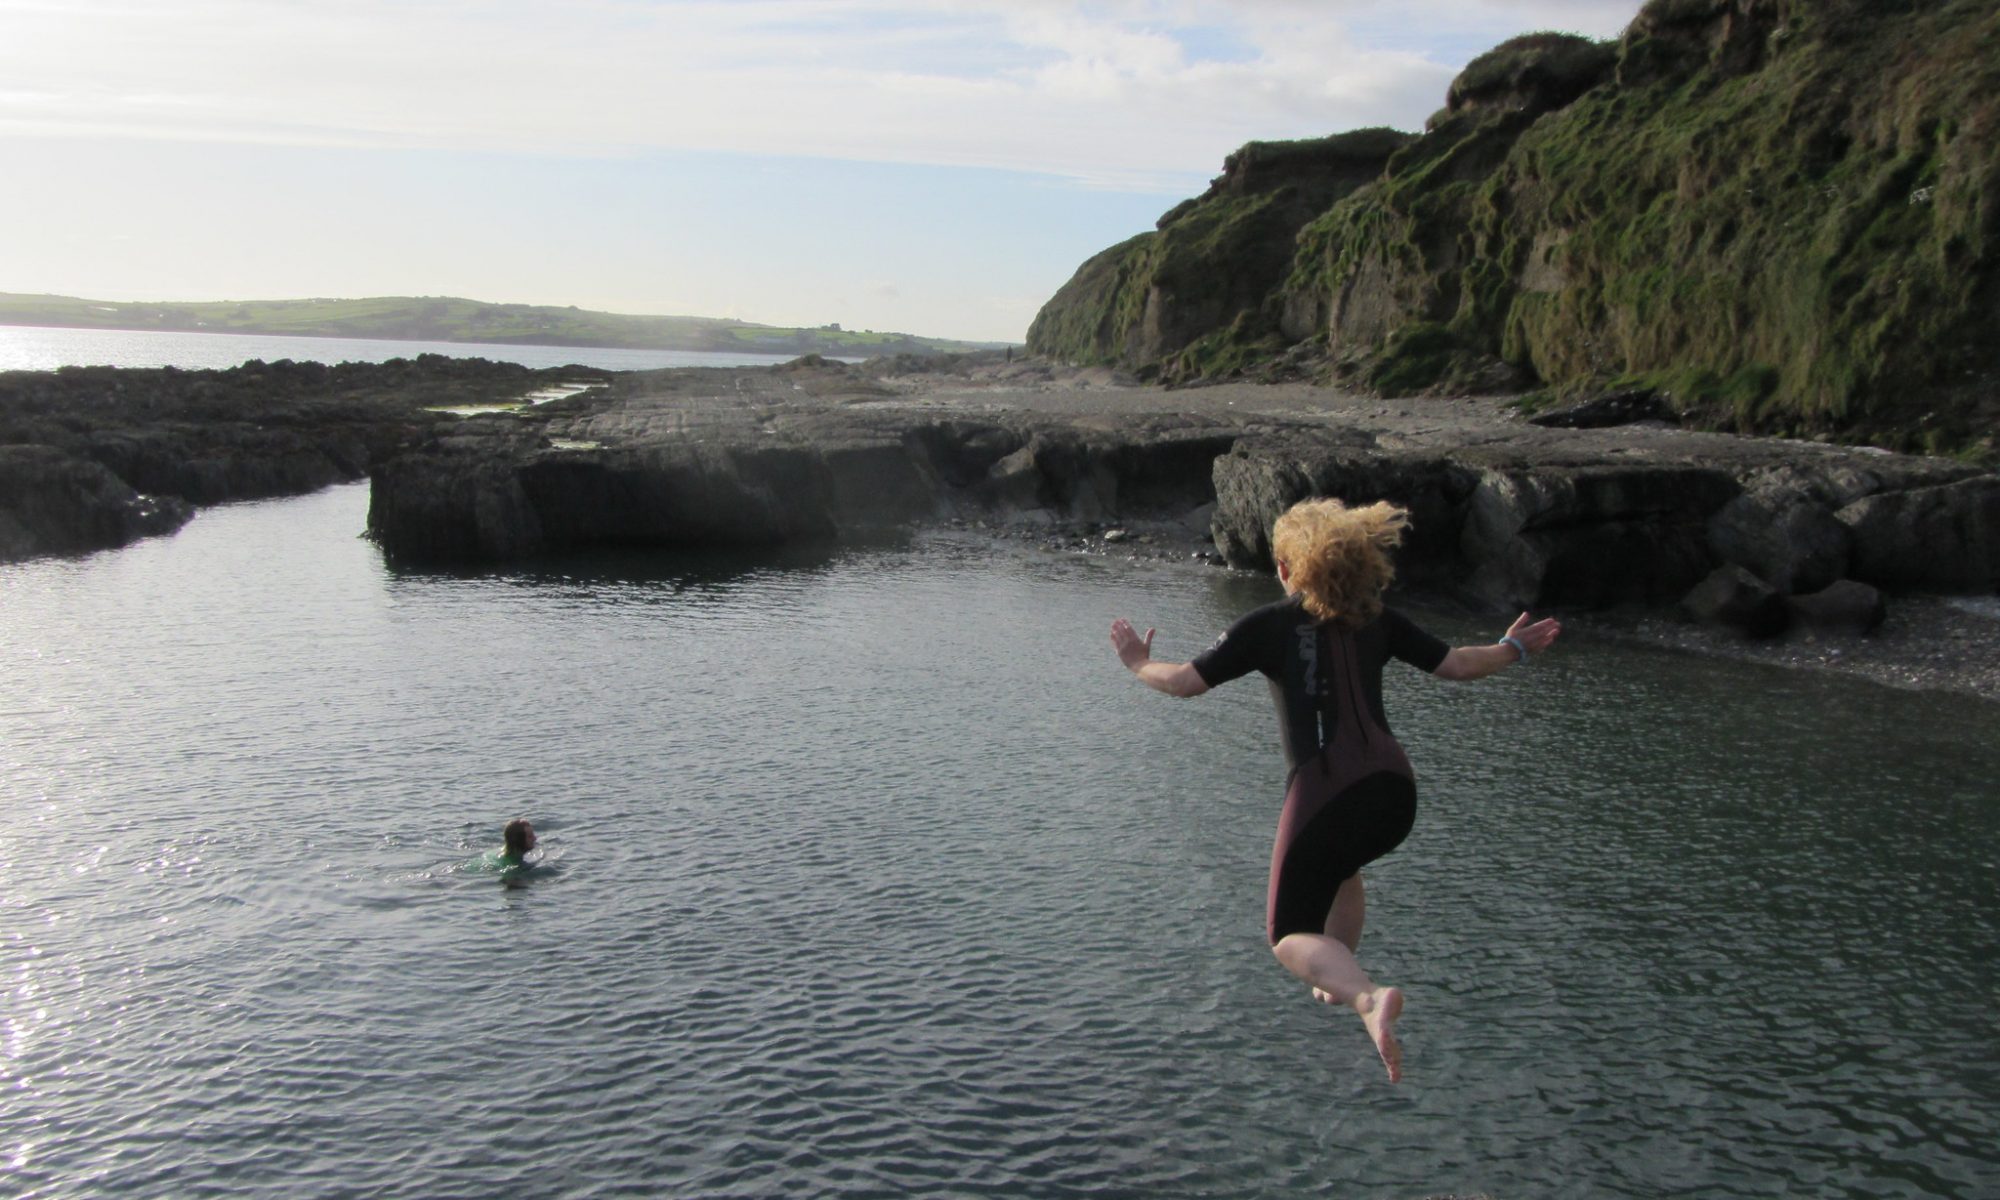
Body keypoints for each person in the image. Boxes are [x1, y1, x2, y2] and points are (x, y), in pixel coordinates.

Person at [1109, 497, 1559, 1083]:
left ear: (1289, 568)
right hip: (1396, 796)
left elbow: (1185, 682)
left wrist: (1137, 662)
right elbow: (1457, 666)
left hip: (1328, 791)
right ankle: (1339, 974)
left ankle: (1365, 996)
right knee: (1342, 867)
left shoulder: (1267, 625)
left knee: (1285, 936)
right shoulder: (1377, 618)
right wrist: (1514, 648)